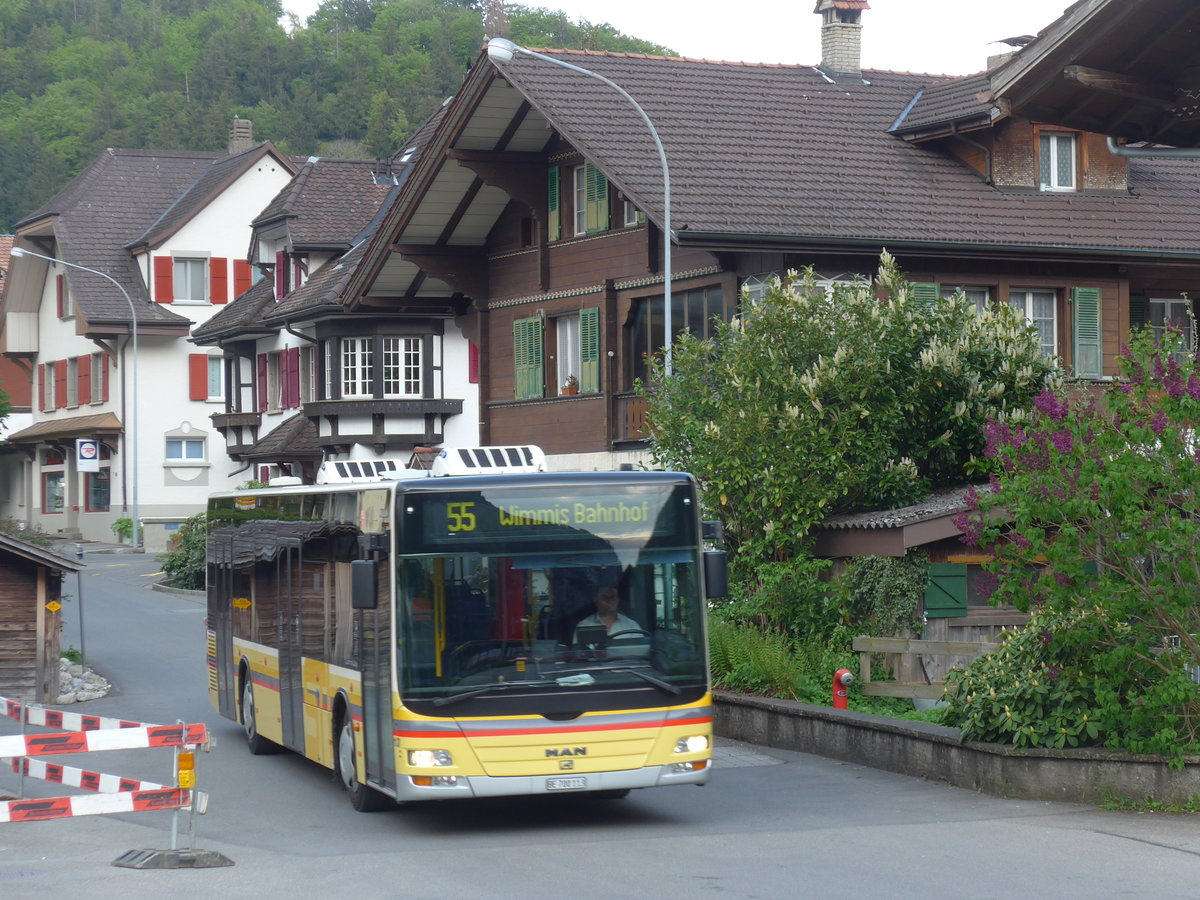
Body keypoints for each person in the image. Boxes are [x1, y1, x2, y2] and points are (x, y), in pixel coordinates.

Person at [573, 586, 642, 643]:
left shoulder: (632, 626)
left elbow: (641, 653)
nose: (609, 601)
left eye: (612, 597)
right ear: (596, 600)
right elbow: (578, 655)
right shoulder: (584, 626)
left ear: (618, 599)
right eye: (605, 598)